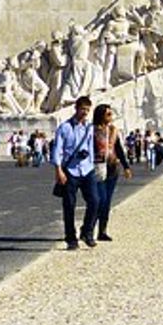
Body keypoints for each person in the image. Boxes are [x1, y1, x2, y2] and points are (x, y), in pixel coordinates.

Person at [52, 95, 101, 250]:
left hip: (87, 169)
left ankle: (87, 231)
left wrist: (92, 163)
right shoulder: (65, 128)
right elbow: (57, 150)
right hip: (70, 171)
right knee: (69, 206)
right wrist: (58, 170)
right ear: (76, 108)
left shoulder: (89, 127)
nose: (85, 113)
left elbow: (90, 146)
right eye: (83, 109)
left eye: (87, 110)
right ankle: (70, 238)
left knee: (95, 201)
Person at [91, 103, 132, 242]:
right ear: (100, 115)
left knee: (107, 202)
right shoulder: (92, 131)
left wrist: (126, 167)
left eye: (111, 114)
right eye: (108, 114)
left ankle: (102, 231)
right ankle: (88, 229)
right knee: (99, 200)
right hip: (97, 168)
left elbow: (119, 149)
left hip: (112, 168)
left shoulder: (113, 130)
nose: (111, 117)